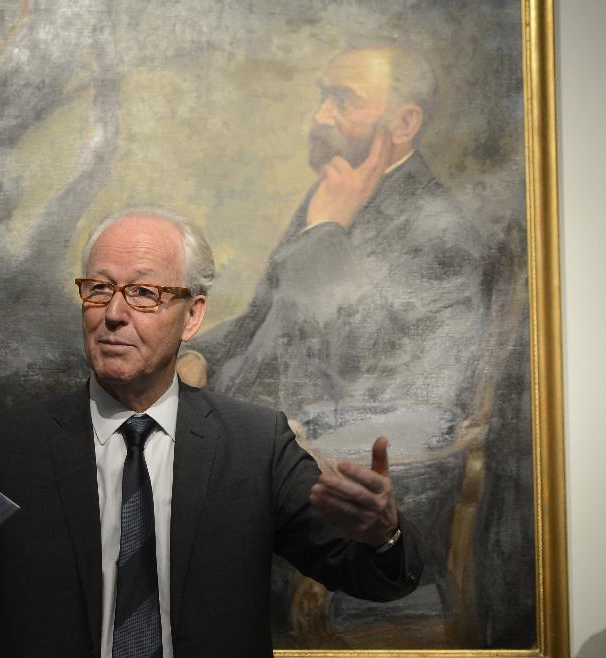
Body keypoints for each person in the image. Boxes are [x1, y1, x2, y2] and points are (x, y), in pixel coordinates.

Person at [0, 209, 423, 658]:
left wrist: (384, 536)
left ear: (193, 314)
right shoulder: (13, 444)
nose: (113, 314)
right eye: (99, 289)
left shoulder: (256, 443)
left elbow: (379, 579)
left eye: (145, 294)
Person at [184, 42, 500, 641]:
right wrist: (192, 357)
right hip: (250, 458)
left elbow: (378, 385)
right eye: (322, 97)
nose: (321, 117)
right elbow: (261, 323)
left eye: (343, 100)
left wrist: (327, 231)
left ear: (404, 123)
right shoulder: (340, 193)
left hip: (349, 496)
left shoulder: (438, 232)